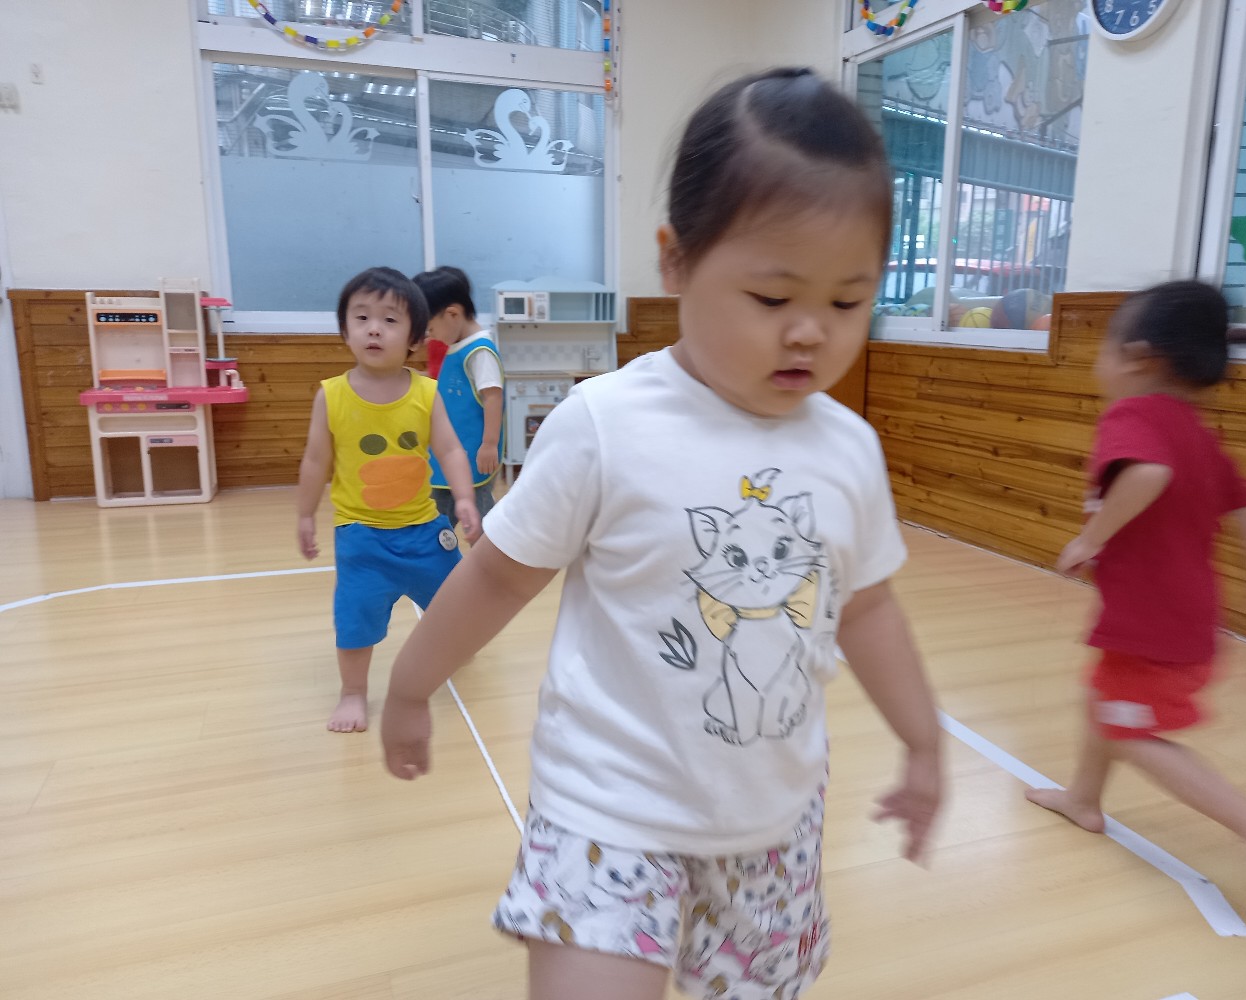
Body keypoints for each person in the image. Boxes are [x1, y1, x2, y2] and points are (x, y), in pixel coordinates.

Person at [381, 68, 943, 1000]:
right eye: (772, 298)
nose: (810, 332)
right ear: (675, 262)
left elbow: (869, 608)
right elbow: (497, 577)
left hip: (773, 822)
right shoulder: (605, 424)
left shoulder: (848, 448)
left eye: (848, 302)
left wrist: (922, 742)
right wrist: (409, 685)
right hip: (607, 808)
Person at [1027, 280, 1246, 865]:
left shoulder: (1134, 415)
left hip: (1152, 629)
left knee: (1130, 734)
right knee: (1103, 699)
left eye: (1105, 346)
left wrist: (1090, 539)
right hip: (1183, 621)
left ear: (1137, 358)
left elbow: (1149, 473)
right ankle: (1083, 800)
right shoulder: (1196, 431)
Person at [296, 266, 482, 734]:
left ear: (416, 337)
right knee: (354, 620)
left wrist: (464, 498)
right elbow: (316, 460)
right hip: (361, 538)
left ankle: (456, 650)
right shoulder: (331, 396)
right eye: (361, 318)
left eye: (390, 320)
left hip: (424, 531)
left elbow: (450, 449)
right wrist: (304, 514)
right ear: (345, 330)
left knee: (457, 600)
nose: (374, 329)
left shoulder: (426, 392)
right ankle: (353, 692)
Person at [414, 265, 505, 532]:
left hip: (473, 452)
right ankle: (438, 547)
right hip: (454, 449)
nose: (431, 336)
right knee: (445, 510)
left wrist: (489, 444)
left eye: (431, 328)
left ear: (452, 314)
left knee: (478, 514)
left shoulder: (479, 350)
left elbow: (493, 397)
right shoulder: (457, 347)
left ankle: (494, 550)